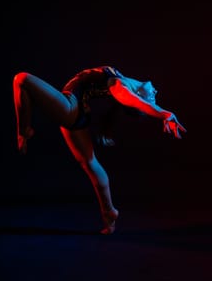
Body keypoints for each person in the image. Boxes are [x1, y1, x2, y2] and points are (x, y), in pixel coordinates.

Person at [12, 65, 187, 234]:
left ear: (139, 95)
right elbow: (137, 101)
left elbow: (136, 102)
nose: (155, 93)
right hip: (77, 111)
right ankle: (109, 212)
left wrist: (164, 113)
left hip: (70, 107)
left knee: (22, 79)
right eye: (154, 98)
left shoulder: (121, 88)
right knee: (90, 164)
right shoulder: (120, 80)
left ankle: (24, 130)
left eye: (152, 99)